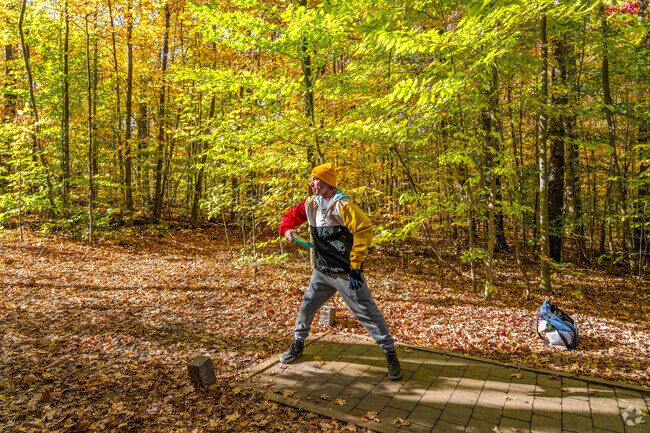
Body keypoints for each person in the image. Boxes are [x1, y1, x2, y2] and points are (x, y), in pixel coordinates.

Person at [278, 162, 402, 381]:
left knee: (367, 313)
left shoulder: (343, 206)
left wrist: (355, 266)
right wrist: (287, 229)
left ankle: (390, 353)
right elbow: (290, 217)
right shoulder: (311, 204)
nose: (311, 183)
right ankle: (298, 344)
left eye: (315, 179)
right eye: (312, 179)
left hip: (347, 274)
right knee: (306, 307)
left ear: (327, 183)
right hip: (322, 272)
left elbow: (364, 229)